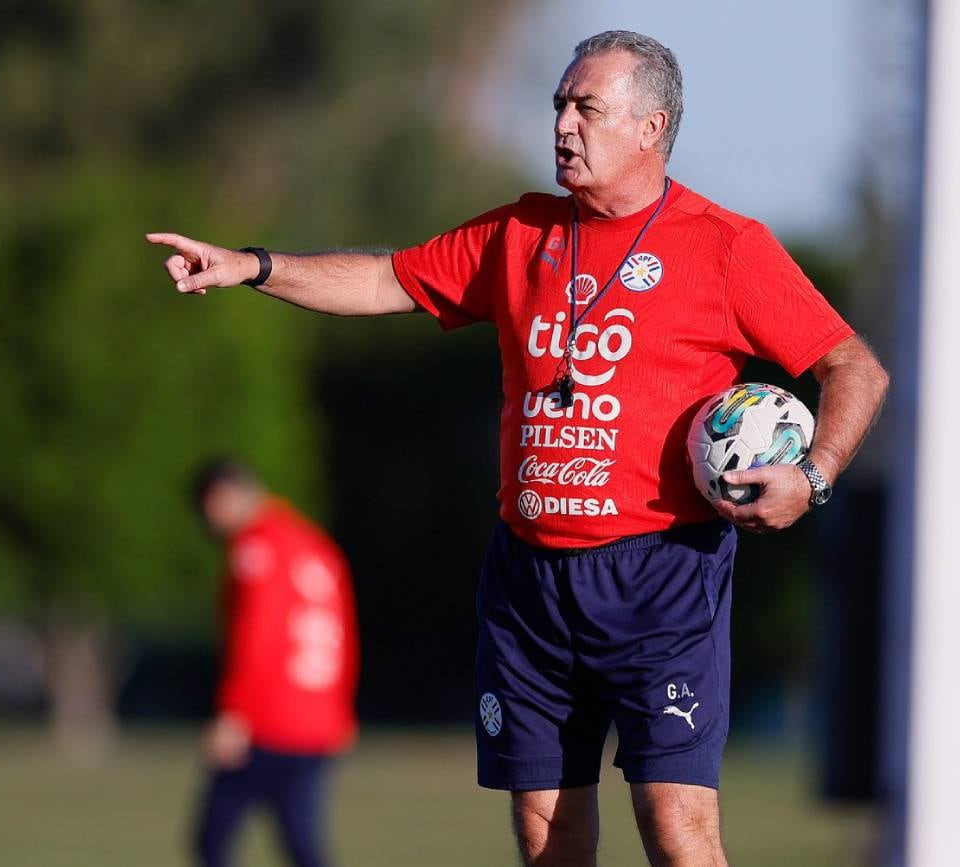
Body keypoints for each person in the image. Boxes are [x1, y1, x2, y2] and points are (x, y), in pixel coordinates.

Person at [151, 30, 888, 867]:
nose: (563, 126)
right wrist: (253, 264)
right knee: (548, 836)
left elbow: (852, 365)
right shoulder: (519, 234)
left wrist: (814, 477)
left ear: (651, 127)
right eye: (559, 106)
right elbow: (385, 279)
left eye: (587, 108)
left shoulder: (724, 245)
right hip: (530, 583)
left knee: (679, 830)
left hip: (661, 579)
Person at [190, 459, 358, 867]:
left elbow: (257, 637)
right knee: (301, 845)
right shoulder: (314, 544)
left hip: (267, 720)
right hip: (315, 721)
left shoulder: (256, 546)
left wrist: (233, 712)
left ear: (221, 497)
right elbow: (345, 636)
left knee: (212, 841)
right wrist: (340, 710)